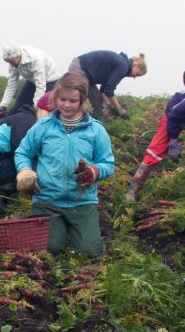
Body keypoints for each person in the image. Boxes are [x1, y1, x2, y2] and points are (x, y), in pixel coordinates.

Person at [13, 73, 116, 258]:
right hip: (48, 201)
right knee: (50, 249)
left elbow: (108, 164)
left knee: (89, 252)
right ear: (56, 98)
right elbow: (23, 152)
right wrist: (26, 173)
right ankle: (58, 230)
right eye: (62, 99)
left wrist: (94, 171)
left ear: (82, 100)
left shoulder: (96, 130)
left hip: (82, 202)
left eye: (73, 100)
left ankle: (78, 231)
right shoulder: (43, 127)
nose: (67, 105)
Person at [67, 50, 147, 119]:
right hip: (80, 68)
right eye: (137, 74)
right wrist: (119, 110)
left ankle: (97, 123)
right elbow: (109, 90)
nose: (134, 77)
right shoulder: (123, 66)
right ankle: (72, 122)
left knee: (98, 103)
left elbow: (104, 90)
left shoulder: (122, 65)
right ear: (137, 65)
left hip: (87, 75)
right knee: (78, 99)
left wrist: (109, 105)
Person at [0, 40, 62, 119]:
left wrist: (36, 107)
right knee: (17, 108)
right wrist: (3, 105)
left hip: (51, 81)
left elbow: (40, 85)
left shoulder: (36, 59)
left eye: (12, 61)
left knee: (40, 110)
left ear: (18, 55)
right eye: (8, 62)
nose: (11, 64)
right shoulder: (12, 62)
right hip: (31, 81)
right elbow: (11, 85)